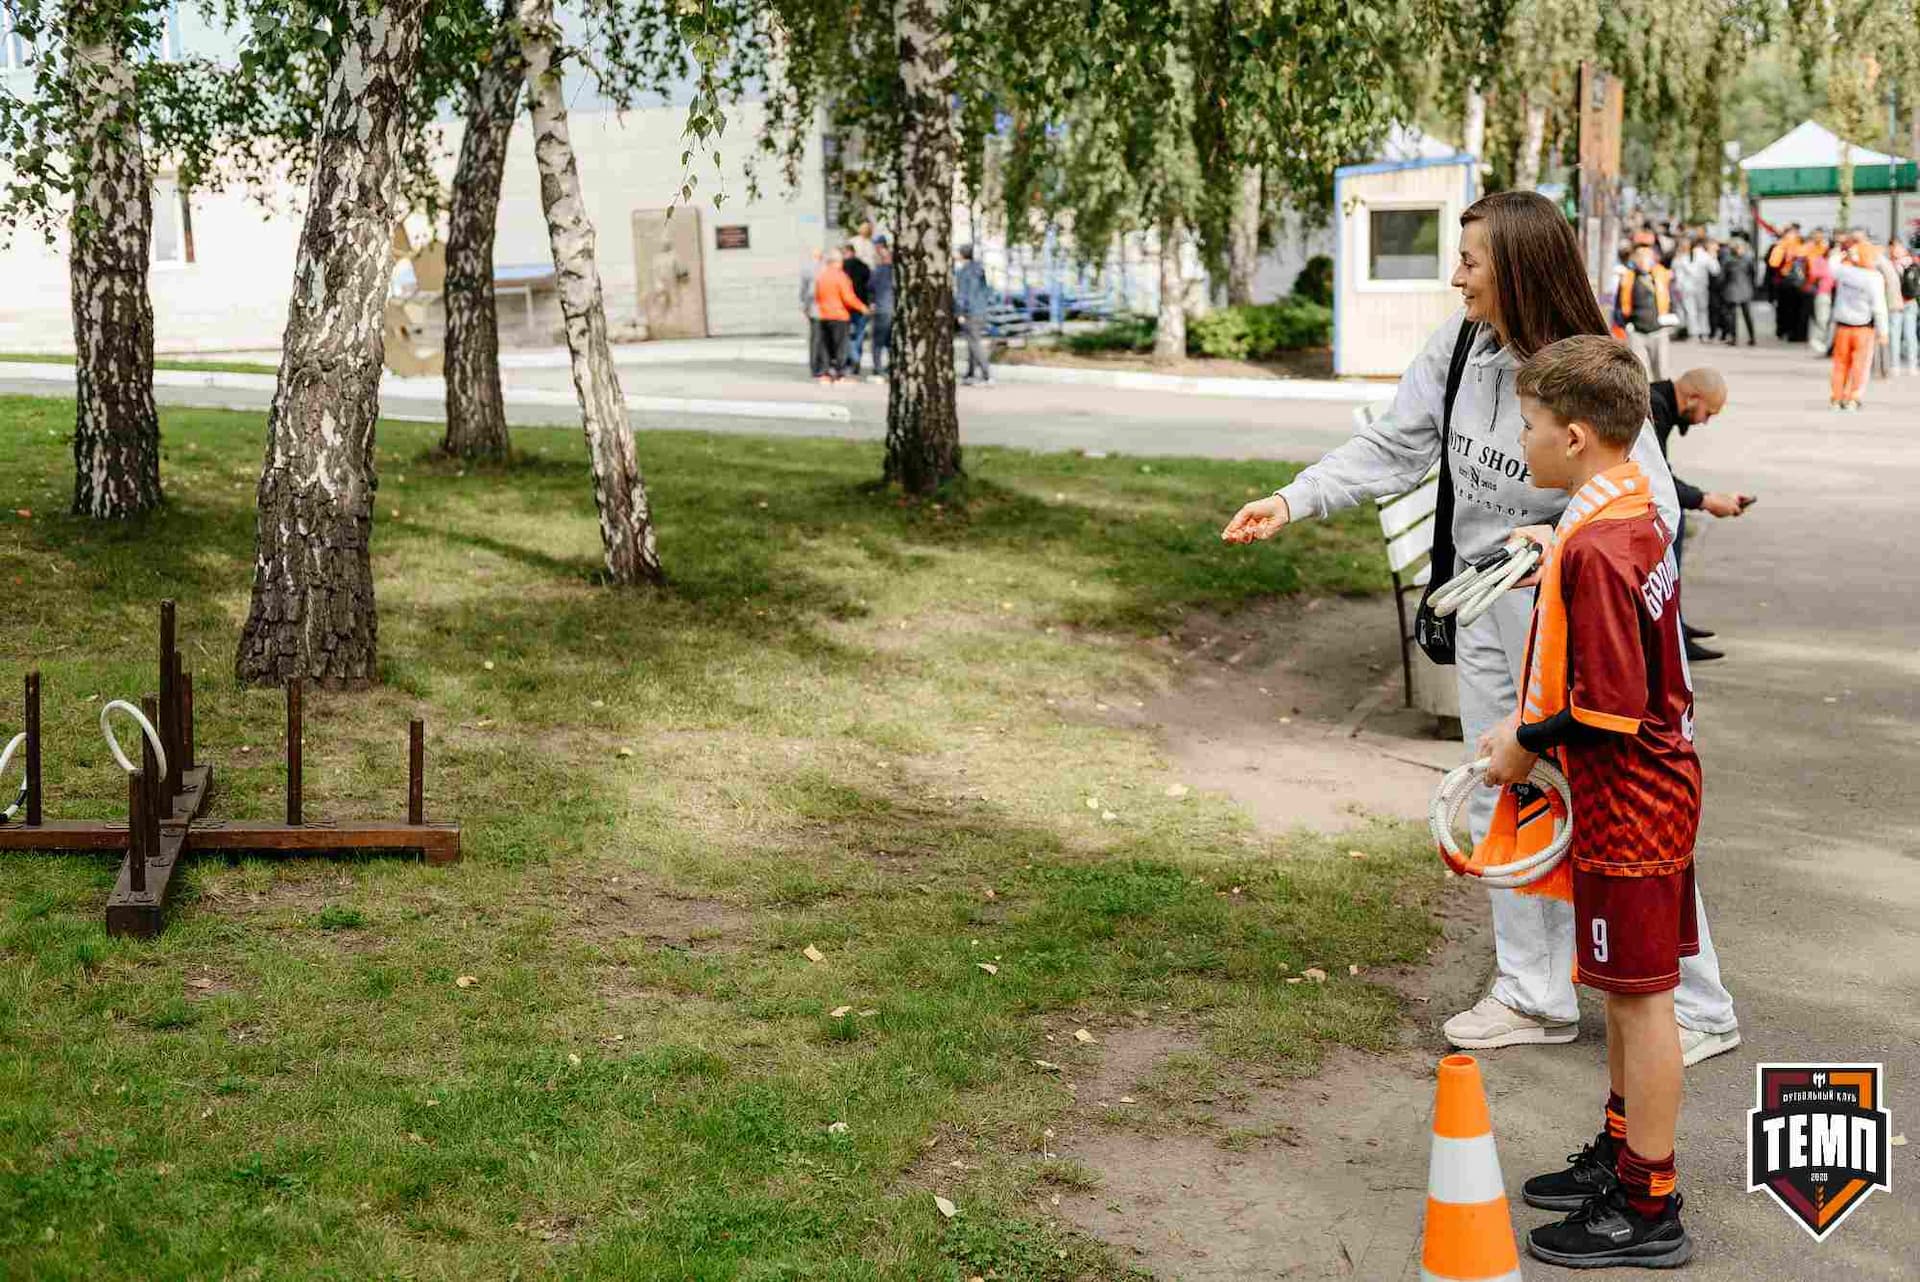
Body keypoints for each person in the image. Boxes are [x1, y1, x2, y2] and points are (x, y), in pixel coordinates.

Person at [1220, 190, 1738, 1063]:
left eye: (1471, 260)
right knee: (1509, 789)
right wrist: (1291, 498)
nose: (1455, 275)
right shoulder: (1460, 348)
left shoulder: (1588, 368)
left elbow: (1649, 509)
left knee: (1625, 813)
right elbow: (1393, 448)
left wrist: (1560, 554)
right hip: (1489, 617)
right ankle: (1533, 993)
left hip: (1581, 629)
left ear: (1518, 269)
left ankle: (1697, 1006)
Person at [1485, 336, 1700, 1270]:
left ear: (1574, 438)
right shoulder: (1626, 510)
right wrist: (1556, 545)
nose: (1518, 437)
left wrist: (1520, 746)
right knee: (1620, 991)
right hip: (1647, 790)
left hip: (1633, 803)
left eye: (1528, 424)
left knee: (1646, 1002)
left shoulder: (1598, 551)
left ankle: (1650, 1205)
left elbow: (1607, 708)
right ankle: (1620, 1157)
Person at [1646, 369, 1749, 662]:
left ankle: (1674, 621)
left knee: (1674, 514)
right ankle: (1671, 632)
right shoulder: (1654, 407)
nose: (1705, 421)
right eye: (1708, 413)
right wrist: (1705, 501)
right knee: (1671, 517)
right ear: (1693, 398)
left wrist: (1709, 499)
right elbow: (1658, 479)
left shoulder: (1660, 404)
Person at [1829, 242, 1882, 410]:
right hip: (1864, 327)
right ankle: (1854, 397)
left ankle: (1837, 398)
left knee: (1840, 364)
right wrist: (1884, 331)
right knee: (1861, 365)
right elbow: (1879, 306)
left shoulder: (1845, 272)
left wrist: (1840, 253)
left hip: (1843, 326)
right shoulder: (1874, 277)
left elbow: (1831, 266)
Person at [1615, 245, 1674, 379]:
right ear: (1635, 260)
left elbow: (1672, 298)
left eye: (1646, 258)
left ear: (1652, 260)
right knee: (1640, 372)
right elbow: (1619, 304)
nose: (1643, 262)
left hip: (1658, 330)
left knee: (1661, 371)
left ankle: (1662, 398)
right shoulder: (1628, 277)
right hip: (1636, 331)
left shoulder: (1661, 275)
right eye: (1640, 258)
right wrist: (1624, 325)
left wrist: (1670, 318)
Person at [813, 246, 868, 383]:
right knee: (841, 346)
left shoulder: (822, 276)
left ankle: (825, 372)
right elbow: (848, 298)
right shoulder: (841, 276)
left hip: (824, 314)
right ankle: (840, 373)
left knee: (826, 345)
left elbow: (817, 295)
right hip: (840, 315)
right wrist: (862, 308)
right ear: (838, 261)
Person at [954, 243, 992, 386]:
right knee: (971, 342)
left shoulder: (963, 272)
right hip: (981, 311)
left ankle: (987, 375)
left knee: (974, 343)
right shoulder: (979, 269)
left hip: (970, 312)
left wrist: (960, 313)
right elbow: (985, 291)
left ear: (962, 255)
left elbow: (963, 294)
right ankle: (970, 374)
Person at [1672, 236, 1717, 342]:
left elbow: (1715, 270)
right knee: (1697, 311)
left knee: (1695, 311)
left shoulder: (1699, 256)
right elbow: (1715, 270)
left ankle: (1698, 334)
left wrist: (1712, 256)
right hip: (1691, 289)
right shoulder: (1683, 257)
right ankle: (1701, 333)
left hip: (1694, 288)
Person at [842, 243, 874, 375]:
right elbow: (870, 287)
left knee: (848, 335)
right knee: (859, 335)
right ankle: (857, 359)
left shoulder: (842, 268)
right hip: (862, 305)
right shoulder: (864, 267)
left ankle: (852, 359)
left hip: (847, 307)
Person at [1721, 235, 1757, 346]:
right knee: (1742, 315)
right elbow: (1753, 275)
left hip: (1733, 290)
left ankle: (1735, 338)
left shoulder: (1728, 260)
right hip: (1741, 290)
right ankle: (1749, 337)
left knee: (1735, 315)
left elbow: (1723, 276)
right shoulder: (1746, 260)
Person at [869, 239, 896, 381]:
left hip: (880, 309)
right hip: (893, 310)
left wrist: (872, 303)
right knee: (891, 342)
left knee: (877, 342)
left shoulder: (877, 271)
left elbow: (870, 289)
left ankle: (877, 368)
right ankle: (891, 366)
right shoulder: (896, 273)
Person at [1892, 238, 1920, 374]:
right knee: (1911, 335)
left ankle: (1895, 366)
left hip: (1896, 304)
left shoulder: (1890, 265)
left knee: (1895, 336)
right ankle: (1912, 365)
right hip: (1911, 301)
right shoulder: (1914, 263)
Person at [1805, 231, 1835, 355]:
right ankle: (1818, 340)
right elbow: (1813, 274)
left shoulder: (1836, 261)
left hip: (1835, 294)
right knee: (1822, 318)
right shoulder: (1819, 260)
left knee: (1830, 320)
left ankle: (1827, 343)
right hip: (1823, 292)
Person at [801, 248, 827, 379]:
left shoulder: (807, 269)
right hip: (826, 309)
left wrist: (804, 306)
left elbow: (805, 291)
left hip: (814, 309)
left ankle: (814, 366)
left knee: (815, 338)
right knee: (823, 338)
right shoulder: (826, 268)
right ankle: (823, 366)